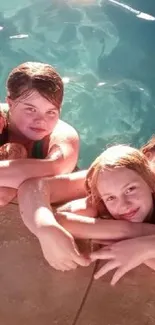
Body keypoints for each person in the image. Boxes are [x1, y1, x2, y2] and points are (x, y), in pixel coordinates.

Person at [0, 61, 89, 270]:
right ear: (10, 103)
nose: (41, 120)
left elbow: (55, 169)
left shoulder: (63, 136)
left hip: (57, 191)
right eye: (31, 109)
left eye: (51, 111)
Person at [18, 144, 155, 273]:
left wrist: (146, 247)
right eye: (110, 198)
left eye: (130, 189)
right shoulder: (114, 173)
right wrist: (46, 228)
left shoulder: (136, 179)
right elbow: (36, 189)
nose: (124, 205)